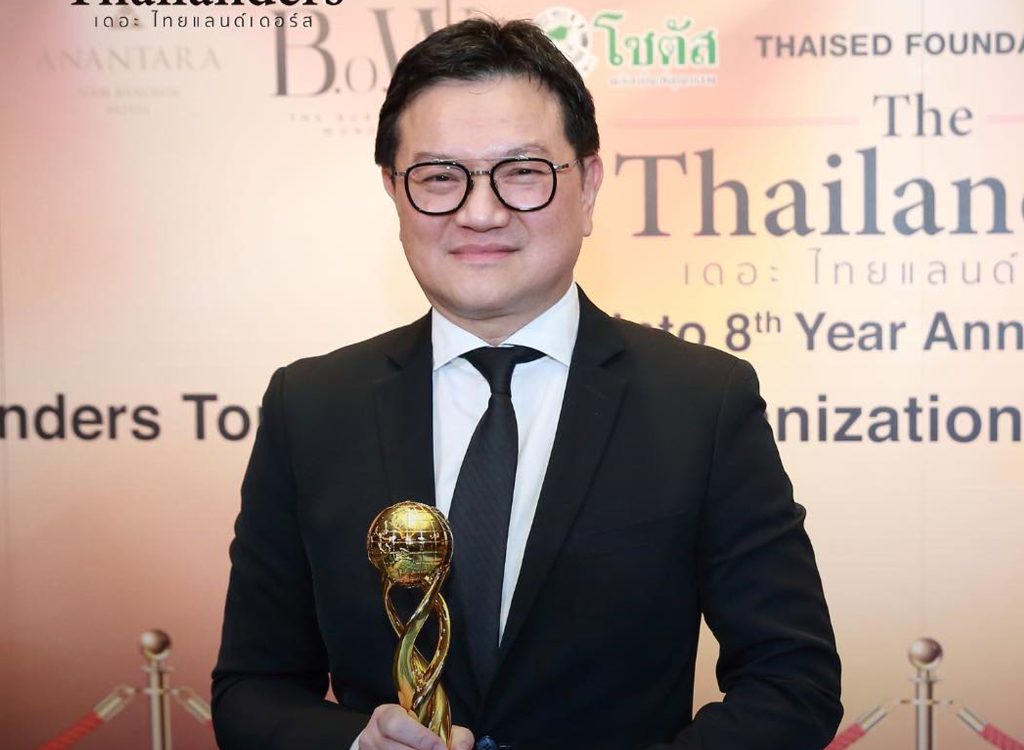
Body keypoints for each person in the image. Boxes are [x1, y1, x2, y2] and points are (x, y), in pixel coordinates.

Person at [211, 17, 842, 750]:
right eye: (439, 176)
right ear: (393, 191)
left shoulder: (701, 402)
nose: (480, 212)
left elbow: (792, 681)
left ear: (589, 185)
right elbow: (251, 689)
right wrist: (356, 745)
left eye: (521, 172)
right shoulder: (312, 407)